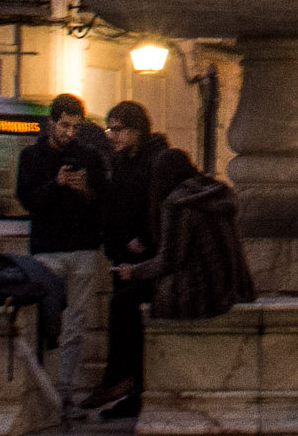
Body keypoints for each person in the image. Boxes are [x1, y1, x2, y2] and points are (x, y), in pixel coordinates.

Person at [13, 94, 114, 411]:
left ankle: (66, 391)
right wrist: (55, 184)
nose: (69, 133)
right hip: (47, 250)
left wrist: (84, 190)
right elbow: (27, 200)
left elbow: (102, 202)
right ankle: (42, 387)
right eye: (64, 125)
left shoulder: (90, 156)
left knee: (75, 324)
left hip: (82, 248)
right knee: (45, 320)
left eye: (75, 127)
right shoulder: (32, 156)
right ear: (51, 122)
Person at [89, 103, 179, 418]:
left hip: (146, 260)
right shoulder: (123, 162)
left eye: (117, 129)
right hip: (120, 256)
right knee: (127, 320)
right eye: (109, 128)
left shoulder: (157, 161)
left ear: (136, 130)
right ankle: (131, 394)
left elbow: (163, 207)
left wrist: (145, 237)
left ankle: (123, 383)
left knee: (128, 315)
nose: (111, 135)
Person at [115, 151, 248, 322]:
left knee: (122, 301)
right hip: (231, 286)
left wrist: (134, 271)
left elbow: (170, 258)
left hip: (199, 291)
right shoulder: (215, 194)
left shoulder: (178, 204)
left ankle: (130, 350)